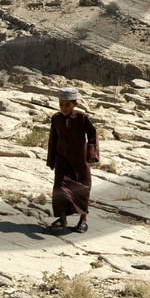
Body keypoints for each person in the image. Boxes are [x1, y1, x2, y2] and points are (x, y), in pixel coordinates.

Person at [46, 85, 98, 233]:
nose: (63, 108)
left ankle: (83, 221)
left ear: (75, 104)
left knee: (82, 190)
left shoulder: (81, 117)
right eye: (61, 104)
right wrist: (51, 160)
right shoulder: (56, 118)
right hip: (62, 160)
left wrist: (91, 153)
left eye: (67, 105)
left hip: (80, 161)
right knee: (60, 188)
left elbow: (93, 134)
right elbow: (52, 139)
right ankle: (62, 219)